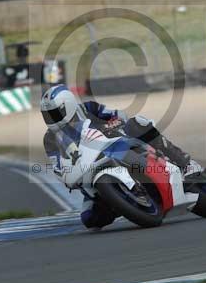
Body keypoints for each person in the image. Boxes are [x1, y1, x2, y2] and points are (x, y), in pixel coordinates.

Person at [41, 85, 193, 229]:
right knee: (89, 219)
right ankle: (120, 201)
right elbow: (57, 164)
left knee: (138, 123)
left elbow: (118, 115)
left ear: (67, 105)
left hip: (117, 145)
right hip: (88, 169)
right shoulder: (50, 139)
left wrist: (113, 123)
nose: (51, 119)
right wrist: (64, 174)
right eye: (47, 115)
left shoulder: (89, 108)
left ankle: (180, 158)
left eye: (54, 113)